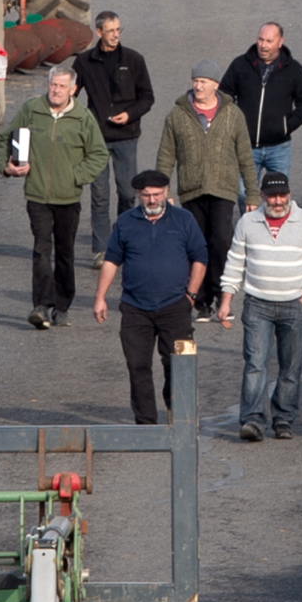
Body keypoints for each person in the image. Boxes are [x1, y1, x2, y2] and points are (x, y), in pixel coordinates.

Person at [218, 170, 302, 441]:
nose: (277, 201)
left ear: (289, 195)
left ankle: (283, 419)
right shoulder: (248, 222)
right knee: (255, 364)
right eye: (272, 196)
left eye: (282, 195)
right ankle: (253, 420)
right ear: (262, 196)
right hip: (258, 305)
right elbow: (235, 262)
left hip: (294, 305)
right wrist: (226, 300)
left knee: (290, 366)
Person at [0, 62, 110, 328]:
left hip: (68, 199)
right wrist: (6, 166)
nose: (55, 90)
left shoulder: (83, 117)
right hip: (36, 196)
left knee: (65, 253)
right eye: (52, 84)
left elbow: (99, 155)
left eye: (61, 86)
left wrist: (75, 177)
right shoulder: (31, 110)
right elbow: (5, 139)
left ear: (73, 89)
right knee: (41, 249)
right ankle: (42, 306)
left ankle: (62, 305)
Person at [94, 168, 206, 425]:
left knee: (176, 366)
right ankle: (145, 422)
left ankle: (178, 415)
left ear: (166, 192)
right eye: (146, 195)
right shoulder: (125, 222)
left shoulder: (184, 219)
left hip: (175, 306)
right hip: (135, 308)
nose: (152, 200)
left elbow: (200, 256)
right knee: (138, 367)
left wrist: (190, 295)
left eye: (157, 194)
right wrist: (100, 297)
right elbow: (112, 260)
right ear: (137, 194)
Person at [156, 71, 260, 316]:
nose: (198, 85)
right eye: (195, 80)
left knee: (222, 240)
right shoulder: (177, 115)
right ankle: (201, 301)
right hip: (191, 190)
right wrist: (163, 191)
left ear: (215, 84)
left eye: (203, 81)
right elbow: (166, 155)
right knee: (196, 244)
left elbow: (245, 156)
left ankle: (222, 295)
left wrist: (253, 195)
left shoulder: (233, 115)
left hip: (223, 190)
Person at [77, 11, 157, 252]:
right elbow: (71, 95)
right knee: (99, 196)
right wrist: (81, 122)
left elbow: (147, 97)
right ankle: (101, 250)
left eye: (118, 30)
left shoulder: (133, 60)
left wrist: (130, 115)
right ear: (98, 32)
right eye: (110, 31)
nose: (115, 35)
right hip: (96, 139)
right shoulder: (84, 62)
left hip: (126, 137)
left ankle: (123, 239)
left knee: (126, 193)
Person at [219, 22, 302, 181]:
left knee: (277, 196)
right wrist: (234, 123)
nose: (263, 45)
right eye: (261, 40)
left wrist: (287, 126)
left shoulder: (294, 70)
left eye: (269, 41)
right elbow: (223, 95)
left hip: (278, 148)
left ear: (280, 42)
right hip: (245, 146)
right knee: (244, 196)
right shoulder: (240, 65)